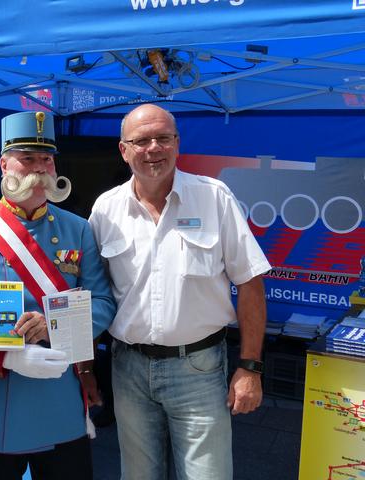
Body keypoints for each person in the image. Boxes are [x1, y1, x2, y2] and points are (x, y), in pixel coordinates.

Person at [89, 104, 271, 480]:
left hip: (199, 369)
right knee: (139, 474)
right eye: (141, 140)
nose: (153, 148)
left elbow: (250, 283)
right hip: (129, 368)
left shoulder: (214, 197)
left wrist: (250, 367)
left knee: (208, 475)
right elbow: (93, 294)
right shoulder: (105, 209)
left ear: (177, 144)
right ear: (124, 150)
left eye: (163, 138)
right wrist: (86, 367)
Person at [0, 111, 115, 480]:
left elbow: (103, 303)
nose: (40, 169)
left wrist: (52, 323)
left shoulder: (78, 229)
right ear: (5, 164)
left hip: (59, 401)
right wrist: (8, 354)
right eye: (28, 158)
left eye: (46, 159)